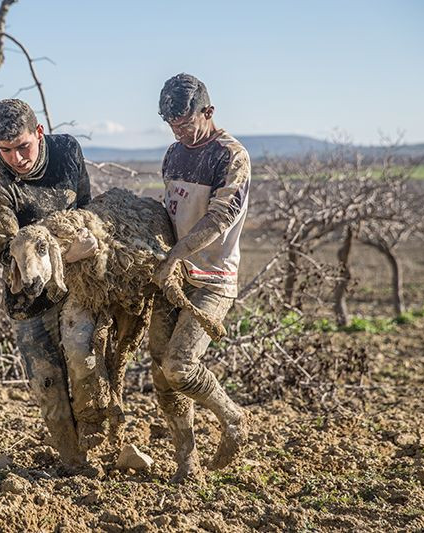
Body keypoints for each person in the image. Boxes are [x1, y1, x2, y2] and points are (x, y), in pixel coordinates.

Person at [0, 99, 99, 473]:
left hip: (79, 284)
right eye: (5, 150)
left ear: (39, 132)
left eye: (23, 147)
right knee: (47, 379)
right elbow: (10, 254)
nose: (16, 158)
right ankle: (72, 462)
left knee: (85, 359)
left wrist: (85, 249)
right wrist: (69, 252)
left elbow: (87, 210)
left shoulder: (67, 152)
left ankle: (101, 448)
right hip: (27, 293)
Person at [149, 73, 251, 483]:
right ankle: (186, 461)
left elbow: (220, 218)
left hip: (212, 278)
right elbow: (169, 212)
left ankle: (232, 418)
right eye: (171, 124)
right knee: (161, 372)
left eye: (186, 122)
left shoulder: (231, 156)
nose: (179, 131)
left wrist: (174, 256)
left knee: (180, 365)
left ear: (207, 111)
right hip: (172, 276)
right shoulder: (173, 154)